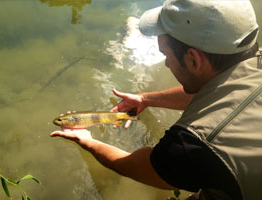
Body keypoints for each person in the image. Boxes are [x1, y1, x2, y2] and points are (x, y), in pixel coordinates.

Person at [50, 0, 262, 199]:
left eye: (166, 55)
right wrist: (145, 99)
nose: (167, 64)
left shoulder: (193, 144)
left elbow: (141, 167)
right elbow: (221, 94)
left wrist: (87, 141)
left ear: (193, 59)